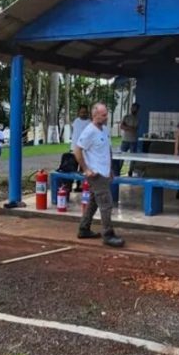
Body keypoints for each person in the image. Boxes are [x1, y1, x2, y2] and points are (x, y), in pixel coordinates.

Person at [73, 103, 124, 248]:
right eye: (103, 115)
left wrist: (111, 169)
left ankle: (84, 229)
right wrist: (86, 169)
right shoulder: (89, 131)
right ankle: (108, 234)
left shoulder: (104, 130)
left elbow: (106, 150)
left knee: (94, 202)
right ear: (94, 115)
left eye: (106, 114)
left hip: (104, 172)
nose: (106, 117)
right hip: (96, 174)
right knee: (106, 204)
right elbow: (77, 150)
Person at [117, 102, 140, 177]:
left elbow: (134, 129)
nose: (134, 109)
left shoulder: (137, 119)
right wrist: (129, 127)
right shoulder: (126, 117)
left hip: (133, 141)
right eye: (133, 108)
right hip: (125, 140)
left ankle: (130, 172)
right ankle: (118, 171)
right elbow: (121, 126)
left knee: (132, 158)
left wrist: (126, 126)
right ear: (131, 108)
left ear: (138, 110)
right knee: (121, 157)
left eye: (135, 108)